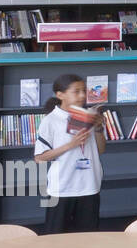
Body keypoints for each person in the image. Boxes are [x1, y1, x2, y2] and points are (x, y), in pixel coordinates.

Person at [33, 73, 106, 234]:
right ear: (60, 95)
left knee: (88, 237)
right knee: (56, 237)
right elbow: (39, 158)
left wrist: (99, 128)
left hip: (89, 185)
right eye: (76, 91)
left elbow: (101, 150)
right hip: (62, 187)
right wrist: (70, 145)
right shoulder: (50, 121)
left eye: (84, 90)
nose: (82, 95)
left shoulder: (89, 116)